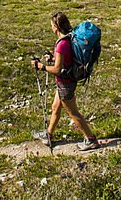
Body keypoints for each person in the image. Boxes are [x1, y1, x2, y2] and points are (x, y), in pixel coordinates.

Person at [31, 12, 100, 151]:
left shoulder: (61, 44)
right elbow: (65, 60)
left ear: (56, 27)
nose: (51, 27)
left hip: (65, 83)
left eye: (52, 25)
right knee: (55, 107)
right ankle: (48, 135)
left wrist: (41, 67)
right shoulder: (68, 39)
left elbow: (57, 69)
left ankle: (91, 139)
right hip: (67, 80)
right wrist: (53, 58)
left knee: (73, 112)